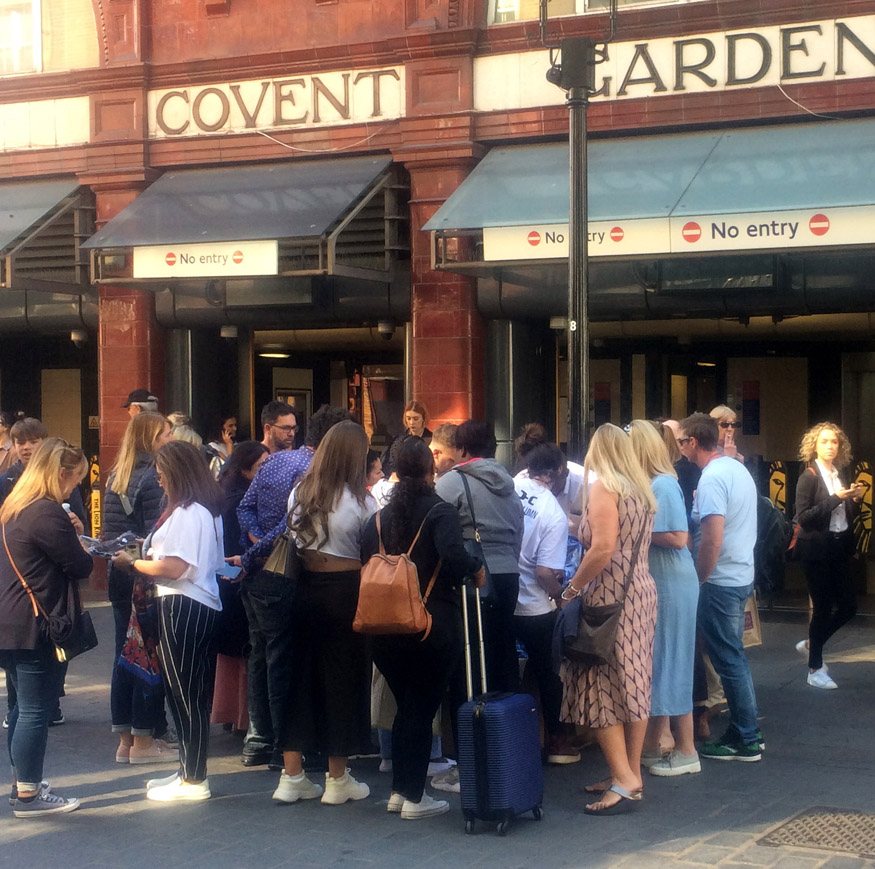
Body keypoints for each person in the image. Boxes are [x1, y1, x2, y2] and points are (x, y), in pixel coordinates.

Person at [361, 438, 483, 819]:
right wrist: (476, 569)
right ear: (431, 471)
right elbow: (454, 557)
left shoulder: (377, 519)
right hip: (430, 627)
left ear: (395, 470)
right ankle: (414, 798)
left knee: (406, 709)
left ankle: (401, 790)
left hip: (381, 629)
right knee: (420, 708)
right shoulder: (440, 512)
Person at [236, 404, 350, 768]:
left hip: (256, 575)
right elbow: (291, 526)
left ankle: (258, 740)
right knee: (282, 659)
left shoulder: (274, 461)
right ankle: (282, 748)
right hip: (283, 573)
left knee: (260, 655)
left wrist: (253, 541)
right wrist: (258, 547)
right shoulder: (310, 471)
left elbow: (245, 507)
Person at [111, 441, 226, 802]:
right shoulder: (198, 511)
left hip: (183, 603)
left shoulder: (190, 512)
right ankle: (187, 772)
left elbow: (175, 567)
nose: (160, 483)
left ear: (176, 474)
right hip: (188, 602)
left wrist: (133, 563)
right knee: (183, 695)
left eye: (162, 476)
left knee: (187, 695)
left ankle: (195, 779)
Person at [272, 420, 377, 806]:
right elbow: (372, 552)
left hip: (304, 589)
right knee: (344, 681)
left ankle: (291, 774)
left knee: (299, 678)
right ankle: (337, 777)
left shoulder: (301, 493)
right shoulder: (363, 501)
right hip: (347, 593)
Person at [559, 424, 657, 815]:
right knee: (634, 682)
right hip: (642, 594)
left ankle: (624, 776)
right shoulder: (642, 491)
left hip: (608, 598)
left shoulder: (604, 487)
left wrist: (570, 590)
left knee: (599, 684)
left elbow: (602, 548)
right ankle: (630, 773)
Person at [0, 438, 93, 817]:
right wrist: (78, 534)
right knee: (36, 709)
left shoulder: (14, 507)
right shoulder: (46, 512)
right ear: (59, 474)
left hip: (11, 619)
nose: (74, 488)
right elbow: (81, 566)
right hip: (36, 622)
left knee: (21, 706)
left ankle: (22, 783)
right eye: (74, 480)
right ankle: (28, 795)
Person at [678, 413, 762, 762]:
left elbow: (712, 539)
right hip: (739, 574)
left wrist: (698, 579)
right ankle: (746, 732)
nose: (680, 447)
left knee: (729, 660)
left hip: (720, 581)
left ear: (694, 443)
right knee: (733, 658)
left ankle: (745, 737)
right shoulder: (735, 469)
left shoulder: (712, 478)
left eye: (682, 441)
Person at [628, 421, 700, 778]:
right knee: (663, 661)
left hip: (672, 582)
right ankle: (655, 745)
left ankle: (686, 750)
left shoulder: (663, 484)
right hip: (667, 582)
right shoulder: (658, 482)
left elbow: (677, 537)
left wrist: (636, 530)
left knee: (672, 661)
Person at [104, 412, 175, 765]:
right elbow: (156, 534)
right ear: (151, 438)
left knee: (123, 655)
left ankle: (125, 740)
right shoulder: (153, 478)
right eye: (165, 434)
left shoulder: (117, 475)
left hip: (118, 575)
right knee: (147, 654)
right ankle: (147, 740)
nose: (170, 439)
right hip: (143, 575)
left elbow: (109, 533)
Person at [435, 420, 524, 694]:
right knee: (503, 648)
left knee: (472, 655)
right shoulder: (509, 486)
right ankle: (505, 724)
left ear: (461, 449)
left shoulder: (453, 481)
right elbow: (519, 533)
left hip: (474, 578)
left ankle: (473, 725)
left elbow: (436, 527)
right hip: (509, 575)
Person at [512, 441, 579, 764]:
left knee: (505, 672)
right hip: (534, 607)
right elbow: (544, 571)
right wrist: (560, 595)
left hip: (497, 594)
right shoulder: (552, 512)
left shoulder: (508, 488)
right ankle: (556, 739)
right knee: (549, 673)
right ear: (557, 473)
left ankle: (506, 737)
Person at [793, 422, 861, 690]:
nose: (830, 446)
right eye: (824, 441)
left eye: (834, 442)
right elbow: (805, 518)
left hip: (838, 547)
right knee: (821, 608)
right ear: (814, 446)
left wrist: (851, 500)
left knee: (848, 606)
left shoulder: (838, 473)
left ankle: (813, 643)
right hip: (816, 550)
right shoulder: (809, 476)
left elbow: (841, 517)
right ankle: (814, 668)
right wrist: (835, 498)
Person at [212, 442, 269, 733]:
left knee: (235, 652)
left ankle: (233, 715)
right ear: (245, 468)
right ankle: (244, 717)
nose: (266, 470)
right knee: (246, 650)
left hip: (226, 577)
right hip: (238, 576)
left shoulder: (225, 495)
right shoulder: (243, 499)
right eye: (261, 465)